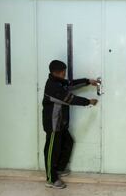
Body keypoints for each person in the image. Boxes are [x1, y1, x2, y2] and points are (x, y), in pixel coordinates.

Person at [43, 60, 99, 189]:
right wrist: (88, 101)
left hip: (60, 123)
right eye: (63, 72)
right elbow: (70, 99)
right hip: (52, 125)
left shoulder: (58, 81)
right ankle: (51, 179)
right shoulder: (52, 86)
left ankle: (59, 169)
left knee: (68, 142)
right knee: (52, 151)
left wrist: (88, 81)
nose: (64, 74)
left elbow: (70, 84)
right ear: (57, 72)